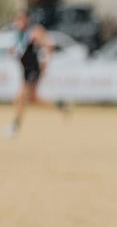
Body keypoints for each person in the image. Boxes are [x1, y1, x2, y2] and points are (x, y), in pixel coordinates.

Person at [4, 9, 69, 139]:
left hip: (34, 69)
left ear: (27, 20)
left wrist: (45, 63)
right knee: (33, 98)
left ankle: (15, 127)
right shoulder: (19, 34)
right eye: (17, 20)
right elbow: (21, 51)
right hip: (26, 69)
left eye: (21, 19)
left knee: (21, 98)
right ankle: (61, 104)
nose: (18, 22)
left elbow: (49, 46)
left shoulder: (34, 31)